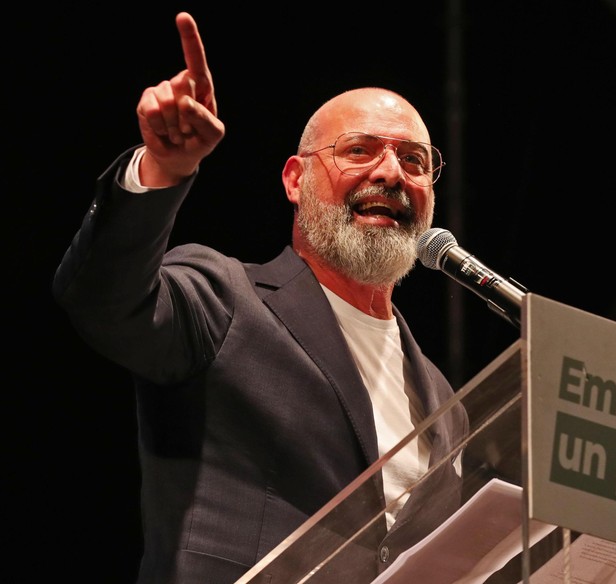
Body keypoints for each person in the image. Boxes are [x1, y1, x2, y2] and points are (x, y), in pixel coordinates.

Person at [53, 12, 468, 584]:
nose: (393, 173)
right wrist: (162, 169)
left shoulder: (446, 401)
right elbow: (103, 300)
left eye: (415, 160)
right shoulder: (224, 299)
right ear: (296, 180)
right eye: (360, 150)